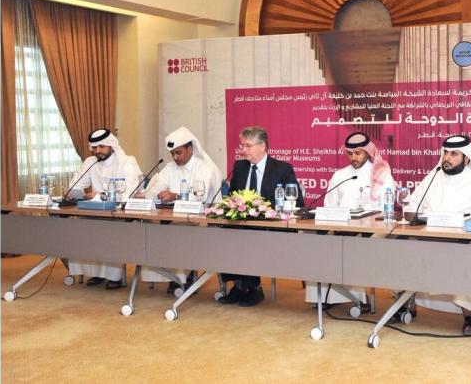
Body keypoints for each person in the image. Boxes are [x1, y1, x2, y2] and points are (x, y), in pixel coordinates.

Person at [404, 135, 471, 336]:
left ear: (466, 158)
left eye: (454, 154)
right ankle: (406, 304)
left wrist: (457, 222)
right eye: (445, 153)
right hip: (429, 236)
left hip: (462, 239)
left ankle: (470, 315)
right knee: (399, 246)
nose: (447, 158)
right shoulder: (433, 176)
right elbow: (412, 204)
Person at [305, 131, 395, 307]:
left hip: (371, 230)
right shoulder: (340, 175)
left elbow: (387, 209)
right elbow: (329, 205)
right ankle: (327, 297)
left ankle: (358, 298)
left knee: (355, 248)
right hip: (341, 228)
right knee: (318, 244)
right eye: (350, 153)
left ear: (368, 152)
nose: (353, 157)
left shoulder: (382, 174)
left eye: (358, 153)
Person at [218, 126, 303, 307]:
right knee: (226, 233)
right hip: (242, 222)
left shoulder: (282, 169)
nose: (243, 150)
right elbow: (233, 196)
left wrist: (264, 209)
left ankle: (253, 288)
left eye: (248, 145)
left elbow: (297, 201)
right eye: (242, 145)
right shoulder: (239, 167)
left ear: (262, 146)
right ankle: (238, 286)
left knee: (248, 236)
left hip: (270, 225)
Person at [142, 126, 223, 291]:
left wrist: (175, 195)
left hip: (201, 219)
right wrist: (147, 195)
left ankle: (183, 277)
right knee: (149, 228)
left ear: (190, 149)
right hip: (172, 217)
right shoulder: (170, 168)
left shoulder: (204, 168)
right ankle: (172, 276)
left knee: (175, 231)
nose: (175, 157)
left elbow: (200, 197)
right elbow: (156, 188)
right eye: (172, 154)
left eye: (178, 153)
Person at [67, 128, 142, 289]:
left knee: (109, 231)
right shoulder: (90, 162)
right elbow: (74, 187)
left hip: (119, 215)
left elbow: (128, 195)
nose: (97, 151)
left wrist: (101, 195)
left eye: (102, 147)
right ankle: (96, 274)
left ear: (111, 145)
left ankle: (115, 277)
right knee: (81, 227)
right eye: (94, 147)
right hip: (93, 212)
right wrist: (81, 194)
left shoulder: (127, 162)